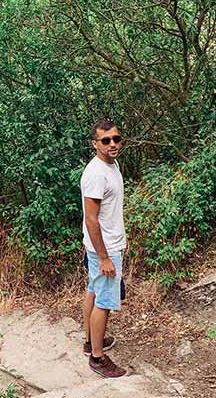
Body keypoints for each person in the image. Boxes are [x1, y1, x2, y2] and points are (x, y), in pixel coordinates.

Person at [79, 118, 127, 378]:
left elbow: (109, 212)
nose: (112, 144)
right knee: (105, 302)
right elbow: (91, 218)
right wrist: (106, 256)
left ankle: (90, 341)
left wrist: (122, 235)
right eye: (106, 141)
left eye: (116, 139)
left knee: (93, 291)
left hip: (106, 244)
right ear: (95, 144)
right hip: (103, 249)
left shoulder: (112, 164)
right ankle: (97, 358)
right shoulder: (97, 173)